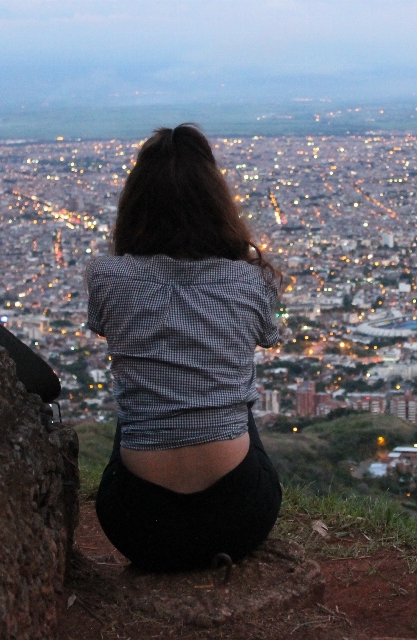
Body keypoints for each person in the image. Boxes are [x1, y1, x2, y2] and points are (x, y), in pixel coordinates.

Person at [86, 124, 282, 572]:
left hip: (137, 525)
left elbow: (102, 327)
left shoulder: (107, 277)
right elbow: (267, 336)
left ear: (135, 206)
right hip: (241, 517)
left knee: (138, 400)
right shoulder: (250, 280)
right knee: (236, 403)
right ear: (217, 203)